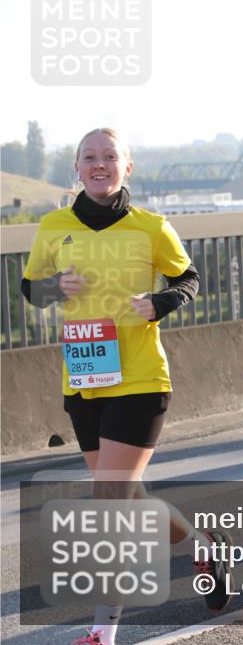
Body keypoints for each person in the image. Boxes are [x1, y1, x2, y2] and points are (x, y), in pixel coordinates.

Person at [20, 128, 230, 645]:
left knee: (109, 500)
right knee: (128, 496)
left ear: (126, 167)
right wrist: (52, 287)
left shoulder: (152, 227)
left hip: (139, 378)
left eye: (109, 156)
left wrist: (160, 303)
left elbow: (190, 279)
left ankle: (102, 631)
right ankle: (204, 542)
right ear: (76, 167)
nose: (99, 164)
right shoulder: (54, 225)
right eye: (89, 157)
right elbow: (30, 288)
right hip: (84, 378)